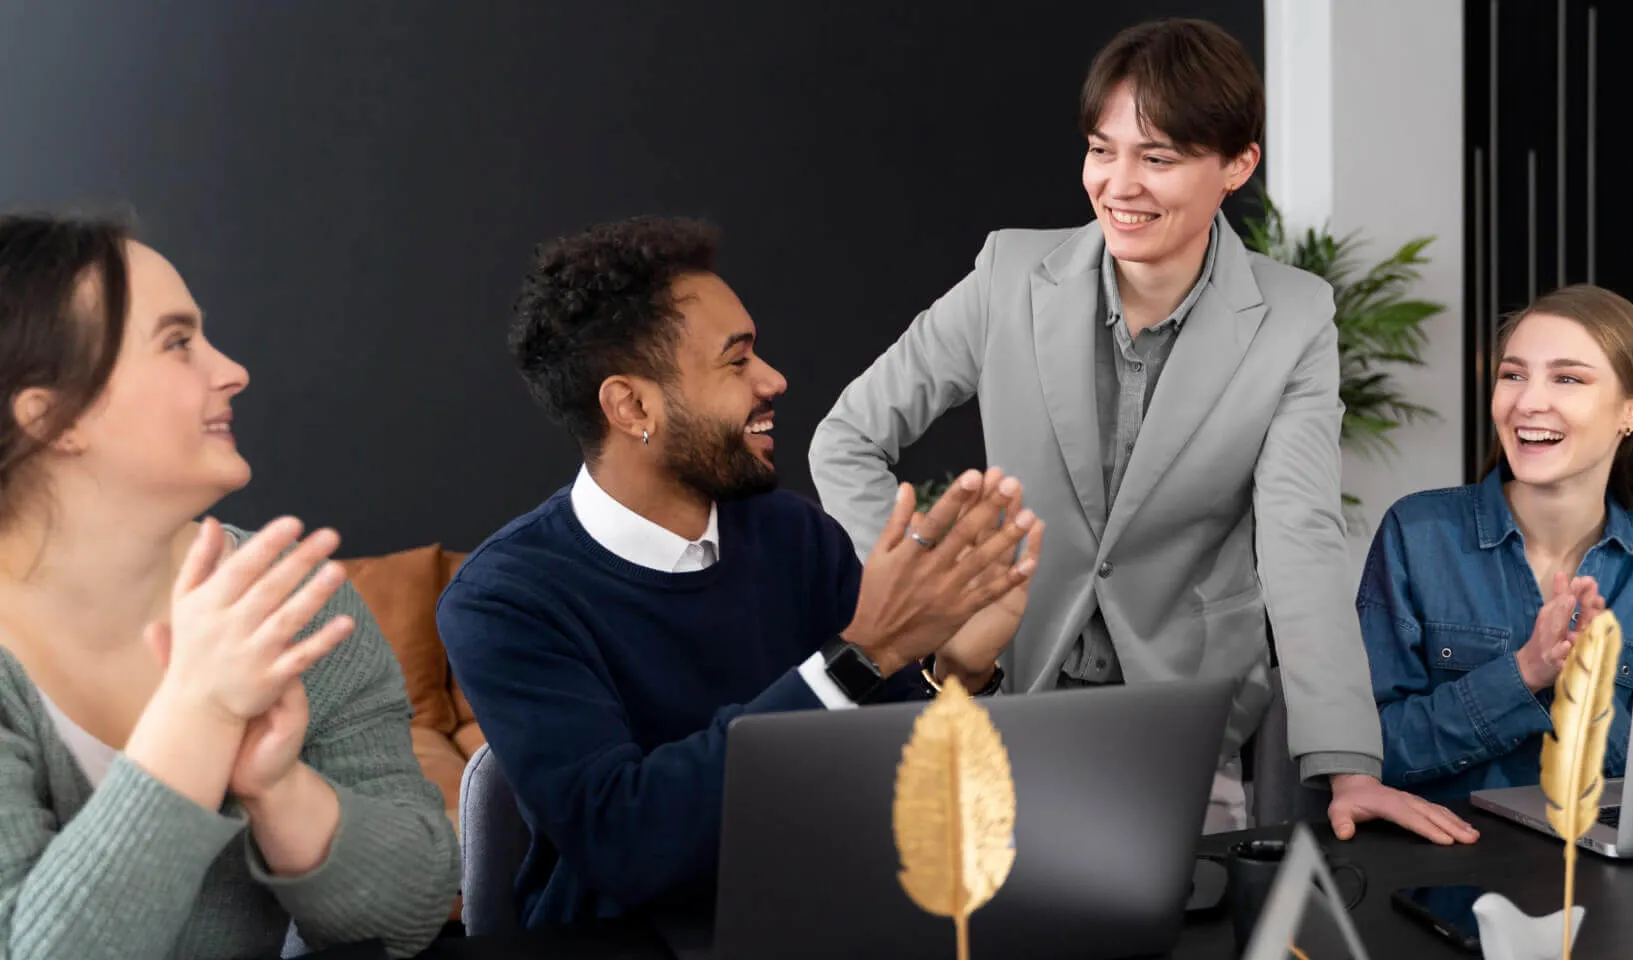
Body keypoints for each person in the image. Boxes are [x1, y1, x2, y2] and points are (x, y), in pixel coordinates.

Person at [807, 17, 1473, 844]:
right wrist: (935, 607)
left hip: (1188, 720)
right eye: (1102, 149)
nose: (1119, 184)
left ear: (1237, 165)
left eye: (1157, 158)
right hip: (1009, 697)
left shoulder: (1295, 316)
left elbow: (1299, 537)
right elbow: (846, 438)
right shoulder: (1008, 274)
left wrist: (1350, 765)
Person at [437, 216, 1043, 931]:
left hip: (827, 920)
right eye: (737, 361)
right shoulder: (504, 601)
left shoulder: (792, 535)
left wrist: (958, 670)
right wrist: (862, 653)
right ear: (632, 405)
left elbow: (910, 777)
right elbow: (627, 842)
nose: (773, 379)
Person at [0, 215, 460, 958]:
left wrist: (278, 790)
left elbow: (412, 915)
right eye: (177, 342)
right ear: (52, 418)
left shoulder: (286, 600)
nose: (233, 370)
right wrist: (199, 714)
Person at [1360, 284, 1633, 800]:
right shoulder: (1418, 533)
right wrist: (1523, 674)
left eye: (1567, 378)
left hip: (1595, 850)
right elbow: (1368, 750)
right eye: (1513, 375)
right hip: (1450, 849)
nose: (1528, 401)